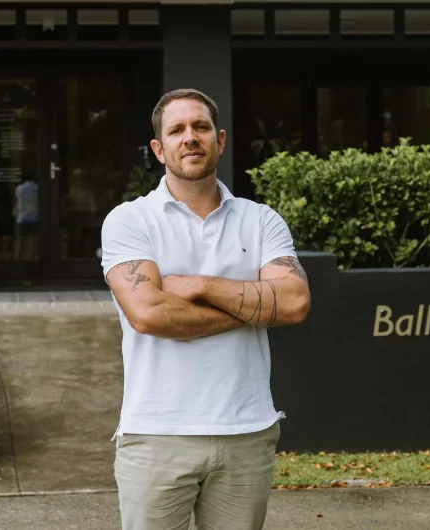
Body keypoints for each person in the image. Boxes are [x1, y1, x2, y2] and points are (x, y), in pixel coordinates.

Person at [100, 88, 311, 530]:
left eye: (200, 127)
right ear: (159, 149)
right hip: (158, 433)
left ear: (220, 139)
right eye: (176, 130)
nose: (189, 137)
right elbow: (149, 314)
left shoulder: (261, 219)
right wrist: (252, 306)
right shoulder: (130, 220)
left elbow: (293, 301)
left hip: (247, 432)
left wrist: (197, 285)